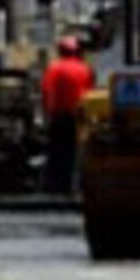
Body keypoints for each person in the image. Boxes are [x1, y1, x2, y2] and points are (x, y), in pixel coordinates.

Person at [41, 37, 93, 195]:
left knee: (57, 152)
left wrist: (46, 114)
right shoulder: (84, 69)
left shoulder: (53, 68)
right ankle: (74, 187)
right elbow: (89, 92)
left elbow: (45, 92)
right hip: (78, 116)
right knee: (76, 152)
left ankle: (54, 187)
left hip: (58, 116)